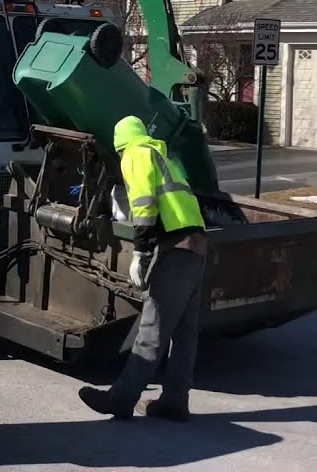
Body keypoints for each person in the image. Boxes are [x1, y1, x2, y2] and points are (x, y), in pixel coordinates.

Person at [78, 115, 207, 422]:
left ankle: (121, 399)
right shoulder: (163, 154)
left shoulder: (135, 154)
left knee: (152, 329)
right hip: (196, 245)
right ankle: (175, 401)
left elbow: (144, 204)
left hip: (174, 248)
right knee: (185, 333)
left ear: (120, 144)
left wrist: (141, 252)